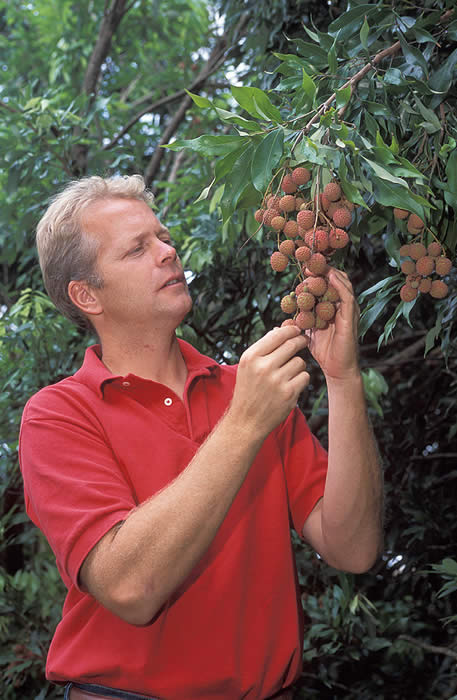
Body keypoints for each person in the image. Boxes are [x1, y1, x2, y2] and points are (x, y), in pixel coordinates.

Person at [19, 174, 383, 700]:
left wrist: (343, 379)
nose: (167, 252)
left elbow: (352, 547)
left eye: (163, 237)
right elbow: (130, 588)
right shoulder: (58, 415)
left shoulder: (249, 390)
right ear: (86, 295)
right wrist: (243, 425)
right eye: (137, 249)